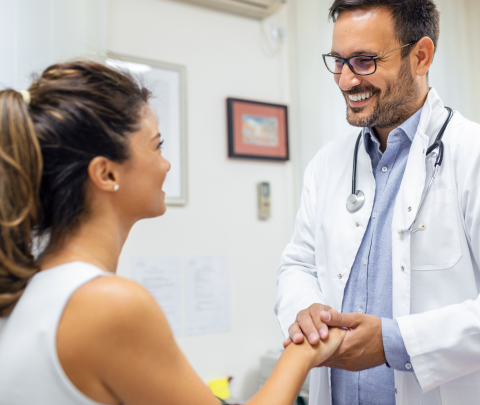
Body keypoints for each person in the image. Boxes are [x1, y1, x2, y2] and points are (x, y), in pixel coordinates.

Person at [0, 61, 345, 405]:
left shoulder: (27, 288)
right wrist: (307, 349)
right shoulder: (107, 305)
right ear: (105, 174)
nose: (166, 164)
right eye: (157, 145)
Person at [275, 0, 480, 405]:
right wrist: (305, 310)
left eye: (365, 61)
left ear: (420, 56)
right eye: (339, 60)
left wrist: (394, 342)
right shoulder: (327, 165)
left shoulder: (471, 154)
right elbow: (298, 264)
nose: (347, 81)